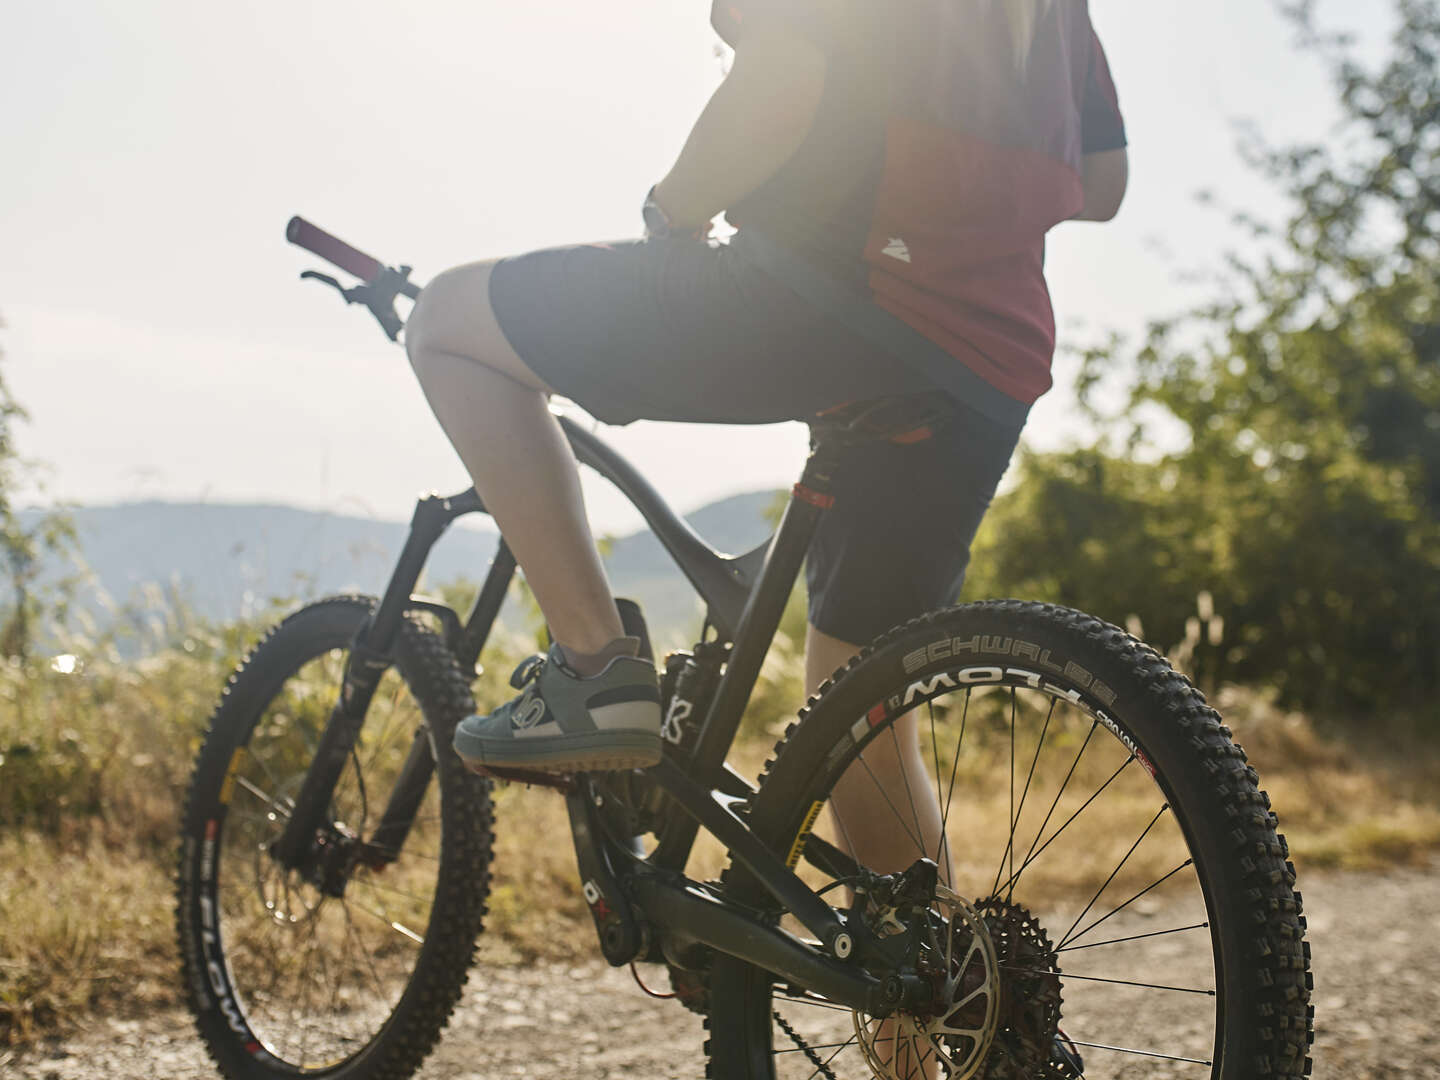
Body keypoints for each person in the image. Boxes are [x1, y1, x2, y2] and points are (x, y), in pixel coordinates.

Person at [404, 0, 1127, 878]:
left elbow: (783, 78)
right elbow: (1103, 183)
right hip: (982, 361)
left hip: (822, 293)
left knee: (445, 321)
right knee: (854, 707)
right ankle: (930, 999)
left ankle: (595, 673)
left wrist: (672, 214)